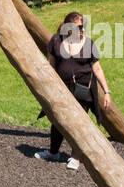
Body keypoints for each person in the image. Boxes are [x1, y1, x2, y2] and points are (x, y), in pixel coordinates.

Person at [35, 11, 110, 170]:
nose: (83, 30)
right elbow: (51, 65)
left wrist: (107, 91)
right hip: (62, 88)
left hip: (83, 90)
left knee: (80, 123)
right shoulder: (56, 41)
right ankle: (53, 152)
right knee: (57, 121)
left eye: (84, 27)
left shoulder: (89, 44)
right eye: (80, 27)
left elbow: (97, 68)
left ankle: (76, 157)